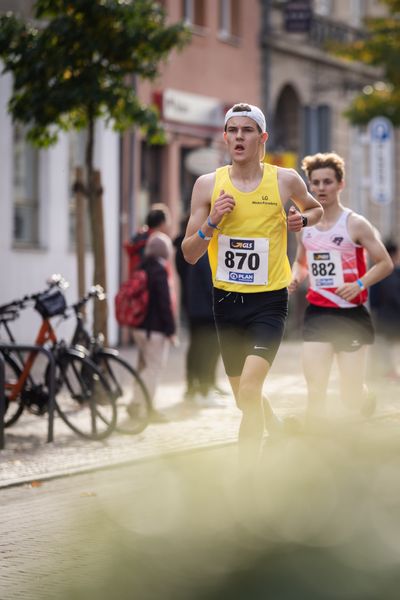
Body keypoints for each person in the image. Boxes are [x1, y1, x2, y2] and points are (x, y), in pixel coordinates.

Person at [181, 102, 323, 465]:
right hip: (226, 303)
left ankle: (248, 475)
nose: (239, 137)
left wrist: (301, 222)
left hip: (269, 302)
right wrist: (212, 221)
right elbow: (190, 253)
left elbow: (315, 208)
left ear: (262, 138)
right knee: (245, 397)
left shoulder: (285, 179)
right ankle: (273, 425)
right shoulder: (208, 185)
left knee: (249, 389)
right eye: (233, 130)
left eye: (247, 130)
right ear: (225, 137)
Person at [289, 152, 393, 422]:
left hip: (351, 315)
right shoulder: (305, 225)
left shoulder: (355, 224)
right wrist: (295, 277)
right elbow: (301, 262)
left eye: (327, 182)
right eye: (316, 183)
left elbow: (385, 263)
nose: (321, 188)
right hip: (318, 313)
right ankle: (316, 446)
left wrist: (359, 284)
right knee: (316, 390)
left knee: (350, 395)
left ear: (340, 184)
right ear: (309, 185)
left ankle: (363, 400)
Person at [130, 232, 177, 423]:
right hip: (154, 330)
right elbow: (164, 304)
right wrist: (171, 330)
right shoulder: (159, 271)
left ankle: (136, 404)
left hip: (139, 328)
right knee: (153, 369)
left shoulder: (142, 267)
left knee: (144, 367)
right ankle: (146, 409)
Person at [369, 239, 400, 381]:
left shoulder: (378, 273)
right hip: (395, 316)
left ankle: (391, 372)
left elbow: (374, 300)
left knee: (386, 347)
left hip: (384, 317)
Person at [125, 203, 172, 278]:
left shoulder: (139, 239)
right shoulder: (156, 243)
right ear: (162, 223)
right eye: (167, 223)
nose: (168, 227)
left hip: (137, 286)